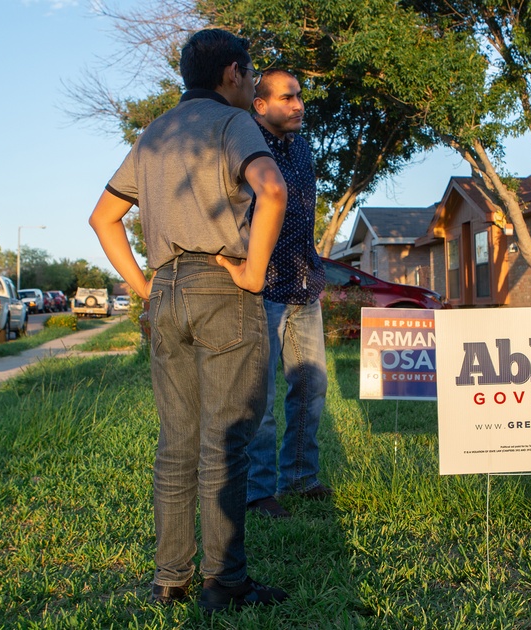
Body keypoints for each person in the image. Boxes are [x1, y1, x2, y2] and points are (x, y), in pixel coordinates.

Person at [88, 28, 290, 612]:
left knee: (176, 442)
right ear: (231, 73)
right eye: (250, 75)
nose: (251, 85)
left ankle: (169, 579)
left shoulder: (153, 134)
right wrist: (254, 272)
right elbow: (270, 188)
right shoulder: (234, 124)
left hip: (167, 289)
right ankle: (224, 583)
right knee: (225, 441)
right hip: (220, 284)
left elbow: (103, 217)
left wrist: (144, 287)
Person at [243, 70, 331, 519]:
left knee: (312, 384)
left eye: (299, 96)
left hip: (304, 282)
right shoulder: (244, 144)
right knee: (260, 396)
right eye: (288, 97)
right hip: (263, 286)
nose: (299, 105)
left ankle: (299, 476)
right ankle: (258, 492)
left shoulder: (302, 145)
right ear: (260, 105)